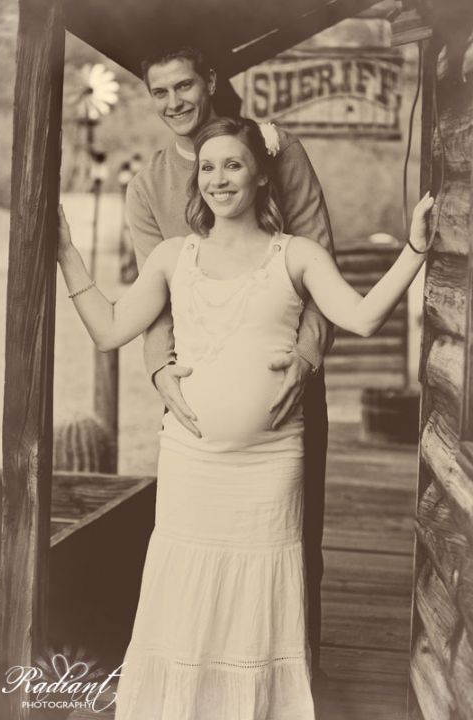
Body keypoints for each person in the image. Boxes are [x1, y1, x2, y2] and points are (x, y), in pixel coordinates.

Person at [57, 116, 433, 720]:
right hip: (191, 464)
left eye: (233, 164)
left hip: (269, 465)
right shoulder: (175, 256)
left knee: (257, 601)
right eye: (207, 167)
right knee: (186, 596)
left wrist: (414, 249)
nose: (218, 178)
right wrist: (66, 253)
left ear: (261, 175)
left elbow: (362, 318)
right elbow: (108, 329)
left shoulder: (297, 255)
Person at [126, 45, 334, 675]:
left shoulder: (276, 151)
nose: (175, 102)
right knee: (195, 545)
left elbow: (318, 263)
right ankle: (201, 675)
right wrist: (160, 370)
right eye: (160, 92)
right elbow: (152, 303)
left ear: (210, 81)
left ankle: (293, 674)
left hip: (282, 389)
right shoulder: (147, 186)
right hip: (197, 400)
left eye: (185, 86)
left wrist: (306, 357)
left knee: (293, 537)